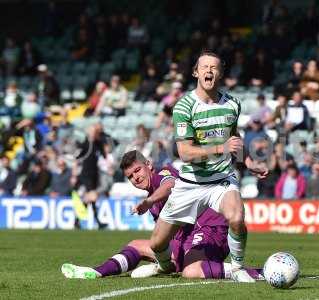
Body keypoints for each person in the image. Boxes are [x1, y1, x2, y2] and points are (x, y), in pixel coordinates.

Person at [144, 51, 268, 283]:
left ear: (220, 73)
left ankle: (238, 268)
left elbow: (234, 137)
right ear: (195, 72)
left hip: (221, 180)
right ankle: (165, 265)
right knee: (157, 243)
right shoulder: (184, 107)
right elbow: (185, 153)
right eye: (204, 67)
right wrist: (221, 148)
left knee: (237, 217)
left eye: (214, 67)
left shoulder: (232, 104)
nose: (209, 71)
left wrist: (249, 162)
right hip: (190, 184)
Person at [61, 150, 263, 280]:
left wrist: (149, 201)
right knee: (136, 245)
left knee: (191, 271)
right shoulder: (153, 198)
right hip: (188, 239)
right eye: (130, 176)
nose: (136, 178)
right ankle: (98, 272)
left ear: (148, 165)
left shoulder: (163, 174)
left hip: (210, 230)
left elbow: (170, 185)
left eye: (138, 170)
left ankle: (255, 273)